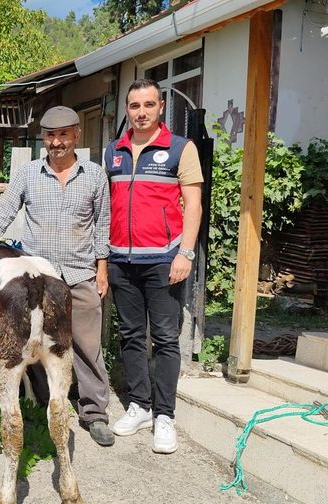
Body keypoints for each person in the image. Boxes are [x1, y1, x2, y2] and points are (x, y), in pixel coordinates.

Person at [0, 105, 115, 447]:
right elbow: (4, 212)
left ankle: (94, 413)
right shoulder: (28, 175)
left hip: (80, 274)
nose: (56, 142)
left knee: (87, 345)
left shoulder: (94, 176)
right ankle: (42, 407)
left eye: (63, 134)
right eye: (50, 135)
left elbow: (103, 225)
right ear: (44, 139)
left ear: (76, 135)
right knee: (31, 343)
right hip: (37, 279)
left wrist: (102, 268)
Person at [105, 79, 203, 454]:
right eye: (134, 106)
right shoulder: (113, 151)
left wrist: (186, 254)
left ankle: (165, 415)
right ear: (127, 110)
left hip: (164, 261)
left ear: (161, 107)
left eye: (148, 105)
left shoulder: (181, 148)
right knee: (130, 335)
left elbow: (193, 206)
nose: (141, 112)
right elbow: (106, 208)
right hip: (121, 261)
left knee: (164, 339)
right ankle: (139, 406)